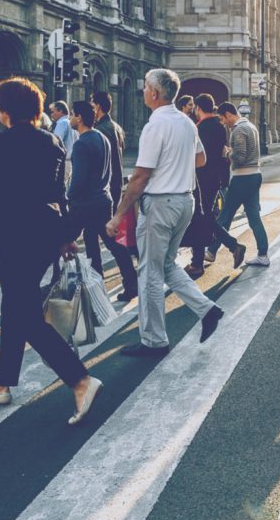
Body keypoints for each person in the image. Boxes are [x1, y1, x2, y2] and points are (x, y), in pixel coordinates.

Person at [0, 80, 102, 425]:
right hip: (46, 233)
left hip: (16, 236)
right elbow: (57, 191)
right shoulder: (52, 141)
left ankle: (80, 380)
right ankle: (3, 383)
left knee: (25, 314)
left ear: (4, 111)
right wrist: (65, 236)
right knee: (16, 304)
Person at [105, 68, 224, 357]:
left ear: (154, 93)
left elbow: (141, 176)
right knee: (167, 264)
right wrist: (175, 166)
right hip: (184, 201)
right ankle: (207, 310)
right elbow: (201, 159)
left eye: (145, 86)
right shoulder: (186, 122)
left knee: (148, 273)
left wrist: (118, 214)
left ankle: (154, 340)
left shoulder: (154, 126)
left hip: (160, 203)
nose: (143, 90)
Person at [64, 100, 138, 299]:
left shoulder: (81, 144)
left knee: (61, 240)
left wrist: (68, 196)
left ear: (79, 117)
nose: (70, 118)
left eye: (72, 114)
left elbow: (78, 180)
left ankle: (60, 286)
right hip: (103, 200)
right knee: (109, 243)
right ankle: (129, 283)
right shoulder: (102, 137)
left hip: (83, 204)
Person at [183, 93, 247, 277]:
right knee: (203, 217)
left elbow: (195, 156)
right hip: (215, 178)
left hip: (200, 178)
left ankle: (228, 248)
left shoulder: (199, 128)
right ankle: (201, 260)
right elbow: (222, 154)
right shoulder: (221, 127)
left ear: (198, 108)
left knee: (202, 218)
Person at [207, 101, 271, 266]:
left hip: (242, 178)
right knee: (254, 217)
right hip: (254, 175)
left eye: (223, 118)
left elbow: (240, 158)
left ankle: (211, 251)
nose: (223, 122)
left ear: (228, 114)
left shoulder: (239, 129)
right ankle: (263, 254)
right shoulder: (250, 126)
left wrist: (228, 153)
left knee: (225, 215)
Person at [90, 91, 127, 215]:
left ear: (98, 106)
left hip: (105, 187)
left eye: (92, 103)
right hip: (116, 183)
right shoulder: (116, 127)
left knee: (98, 228)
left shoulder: (100, 130)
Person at [49, 101, 77, 180]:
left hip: (64, 163)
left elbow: (56, 142)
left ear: (60, 111)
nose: (51, 114)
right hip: (71, 162)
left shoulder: (61, 123)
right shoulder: (71, 123)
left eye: (53, 111)